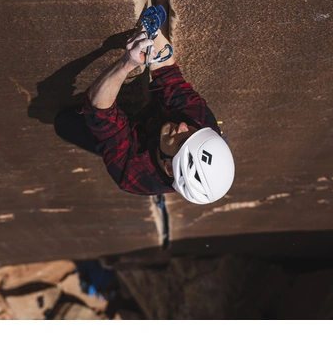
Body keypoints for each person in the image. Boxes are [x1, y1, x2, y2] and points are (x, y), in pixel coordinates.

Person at [80, 12, 235, 205]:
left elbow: (99, 112)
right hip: (150, 120)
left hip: (129, 146)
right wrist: (151, 32)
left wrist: (127, 64)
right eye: (194, 132)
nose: (183, 126)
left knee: (65, 124)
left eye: (182, 141)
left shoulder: (134, 175)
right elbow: (170, 77)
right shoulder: (200, 123)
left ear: (169, 168)